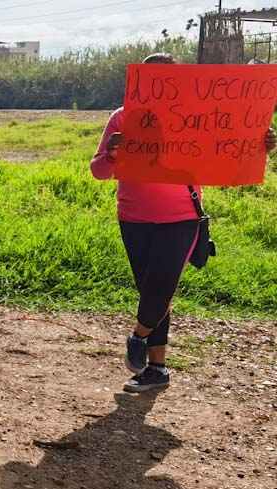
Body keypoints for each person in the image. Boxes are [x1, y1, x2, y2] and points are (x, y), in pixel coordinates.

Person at [90, 52, 277, 393]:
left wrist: (259, 144)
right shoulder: (122, 118)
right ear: (139, 85)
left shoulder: (197, 115)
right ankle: (157, 370)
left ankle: (138, 337)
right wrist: (112, 153)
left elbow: (231, 147)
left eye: (168, 82)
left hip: (181, 218)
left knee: (161, 287)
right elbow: (99, 171)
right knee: (151, 292)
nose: (161, 88)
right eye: (152, 82)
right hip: (133, 218)